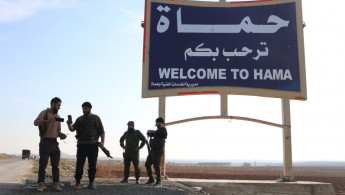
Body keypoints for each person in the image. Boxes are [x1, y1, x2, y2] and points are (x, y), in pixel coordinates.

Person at [67, 102, 105, 190]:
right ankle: (77, 183)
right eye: (83, 108)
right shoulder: (80, 119)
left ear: (90, 108)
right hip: (81, 145)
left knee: (92, 165)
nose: (84, 110)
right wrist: (68, 124)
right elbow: (72, 129)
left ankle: (91, 183)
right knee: (79, 164)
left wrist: (102, 142)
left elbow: (102, 131)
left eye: (86, 108)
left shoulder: (96, 118)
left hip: (93, 146)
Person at [34, 97, 67, 192]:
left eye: (60, 105)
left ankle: (56, 184)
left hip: (54, 143)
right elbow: (35, 122)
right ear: (53, 103)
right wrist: (49, 121)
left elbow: (58, 131)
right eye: (58, 105)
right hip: (45, 142)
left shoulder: (58, 115)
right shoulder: (44, 113)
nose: (59, 107)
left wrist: (62, 135)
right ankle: (41, 184)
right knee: (43, 165)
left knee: (56, 165)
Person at [145, 117, 168, 186]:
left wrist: (153, 132)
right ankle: (151, 179)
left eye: (157, 122)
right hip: (153, 150)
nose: (156, 124)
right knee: (147, 164)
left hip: (158, 151)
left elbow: (160, 134)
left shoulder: (163, 130)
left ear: (160, 122)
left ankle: (159, 181)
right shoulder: (158, 131)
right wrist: (149, 133)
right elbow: (154, 134)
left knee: (156, 165)